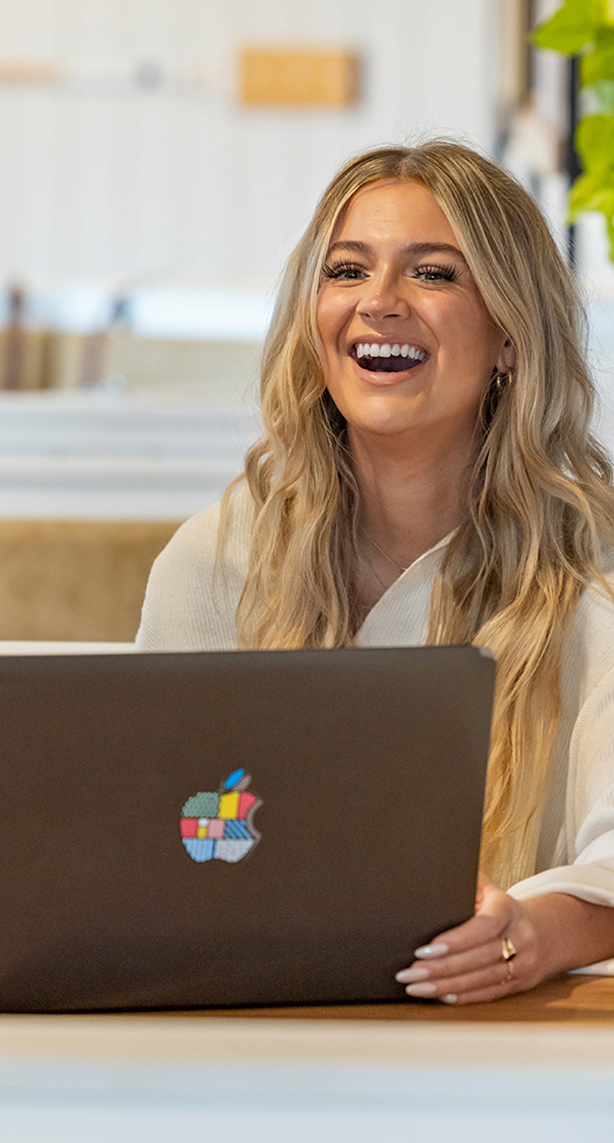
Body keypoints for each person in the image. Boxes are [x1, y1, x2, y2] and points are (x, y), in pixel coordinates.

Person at [137, 140, 614, 1004]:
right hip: (255, 1027)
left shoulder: (595, 568)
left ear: (510, 334)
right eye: (347, 270)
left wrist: (531, 936)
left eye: (433, 274)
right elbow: (158, 837)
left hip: (509, 1055)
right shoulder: (216, 559)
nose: (379, 304)